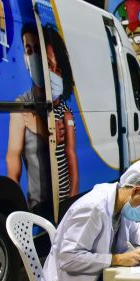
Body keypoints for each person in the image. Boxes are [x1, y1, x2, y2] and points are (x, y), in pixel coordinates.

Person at [6, 23, 51, 212]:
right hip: (38, 206)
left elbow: (67, 153)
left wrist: (41, 129)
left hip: (63, 198)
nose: (32, 56)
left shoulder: (59, 102)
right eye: (28, 49)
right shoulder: (22, 105)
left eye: (37, 50)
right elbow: (12, 160)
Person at [43, 25, 80, 204]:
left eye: (58, 70)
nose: (53, 74)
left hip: (63, 195)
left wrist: (72, 198)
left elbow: (70, 153)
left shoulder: (66, 113)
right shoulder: (36, 108)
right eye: (49, 66)